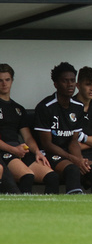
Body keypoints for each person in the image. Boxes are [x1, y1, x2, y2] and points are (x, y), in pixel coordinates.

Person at [34, 62, 92, 194]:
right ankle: (70, 207)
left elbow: (73, 141)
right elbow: (47, 144)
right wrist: (73, 159)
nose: (70, 85)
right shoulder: (45, 107)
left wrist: (79, 160)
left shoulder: (78, 106)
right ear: (56, 84)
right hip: (52, 153)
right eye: (65, 81)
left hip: (70, 153)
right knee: (72, 169)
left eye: (72, 81)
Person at [0, 63, 59, 194]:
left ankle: (50, 213)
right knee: (27, 176)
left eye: (7, 80)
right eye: (0, 80)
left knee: (52, 177)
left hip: (19, 150)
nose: (4, 83)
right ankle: (21, 212)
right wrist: (14, 150)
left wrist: (37, 152)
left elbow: (27, 137)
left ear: (12, 81)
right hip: (5, 150)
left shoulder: (18, 108)